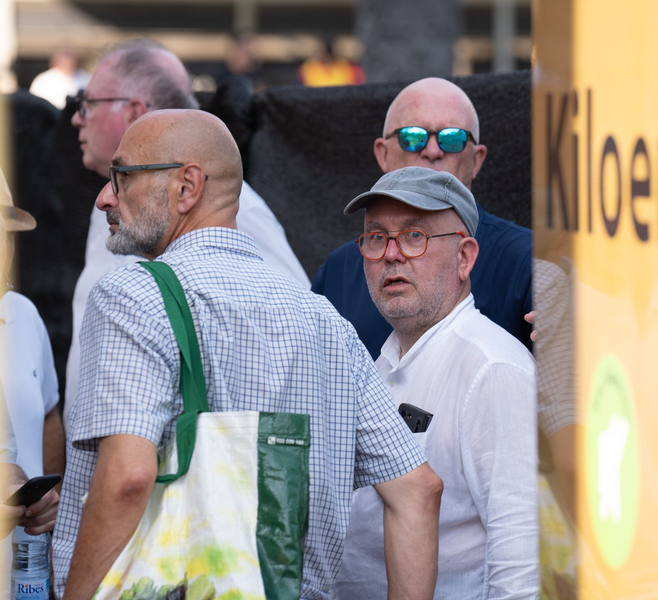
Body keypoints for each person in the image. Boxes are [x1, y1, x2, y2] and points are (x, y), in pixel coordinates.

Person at [53, 109, 443, 599]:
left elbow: (129, 475)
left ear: (186, 187)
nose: (105, 197)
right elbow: (418, 491)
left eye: (122, 176)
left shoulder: (134, 296)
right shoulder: (327, 323)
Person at [311, 76, 577, 508]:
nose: (432, 149)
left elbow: (568, 436)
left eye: (452, 139)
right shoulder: (340, 270)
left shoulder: (535, 266)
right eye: (413, 136)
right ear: (382, 153)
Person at [64, 39, 310, 433]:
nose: (77, 118)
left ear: (133, 111)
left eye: (88, 103)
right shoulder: (110, 202)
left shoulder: (225, 203)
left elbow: (292, 324)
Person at [335, 166, 538, 598]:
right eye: (376, 237)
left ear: (465, 257)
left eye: (414, 235)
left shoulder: (492, 368)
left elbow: (522, 559)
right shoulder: (377, 364)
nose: (391, 254)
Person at [0, 171, 61, 539]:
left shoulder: (22, 313)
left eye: (7, 236)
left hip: (28, 574)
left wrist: (52, 512)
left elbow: (49, 414)